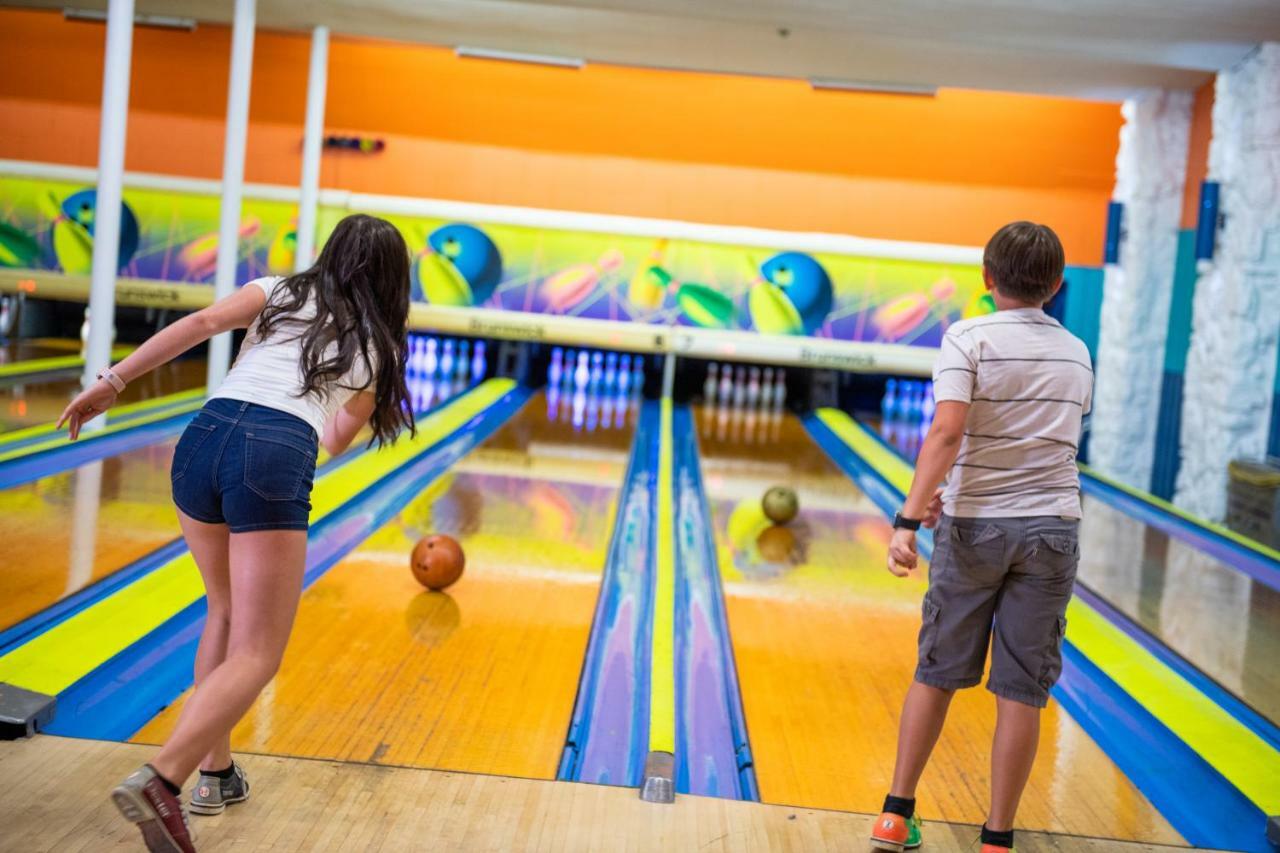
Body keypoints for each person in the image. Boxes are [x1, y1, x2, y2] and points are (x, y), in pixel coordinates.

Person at [59, 214, 415, 853]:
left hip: (202, 439)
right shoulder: (381, 348)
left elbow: (198, 326)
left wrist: (112, 382)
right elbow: (333, 439)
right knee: (259, 651)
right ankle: (164, 779)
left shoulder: (277, 290)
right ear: (395, 282)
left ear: (331, 254)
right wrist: (314, 425)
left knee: (221, 610)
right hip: (275, 452)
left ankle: (213, 775)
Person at [870, 222, 1093, 853]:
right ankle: (997, 837)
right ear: (1056, 285)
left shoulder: (966, 336)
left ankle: (895, 813)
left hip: (975, 529)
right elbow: (1043, 438)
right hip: (1053, 527)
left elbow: (947, 432)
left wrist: (910, 518)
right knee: (1022, 687)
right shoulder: (1077, 350)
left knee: (937, 670)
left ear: (986, 278)